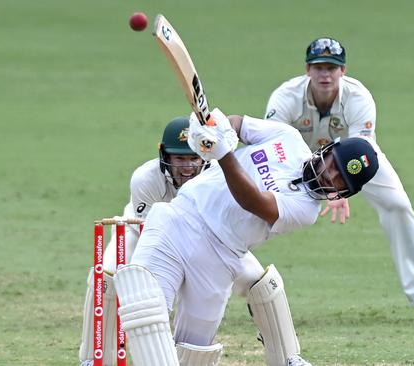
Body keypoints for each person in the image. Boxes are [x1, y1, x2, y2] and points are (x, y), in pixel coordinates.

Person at [111, 109, 379, 366]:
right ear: (328, 149)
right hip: (180, 219)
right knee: (147, 307)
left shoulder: (306, 210)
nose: (328, 176)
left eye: (340, 181)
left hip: (220, 258)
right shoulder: (288, 138)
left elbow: (252, 201)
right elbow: (238, 124)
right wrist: (217, 128)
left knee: (193, 353)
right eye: (333, 166)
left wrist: (224, 153)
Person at [78, 117, 305, 366]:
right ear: (165, 156)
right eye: (179, 159)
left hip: (209, 237)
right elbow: (152, 237)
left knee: (261, 282)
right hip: (140, 231)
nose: (187, 167)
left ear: (203, 155)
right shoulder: (146, 178)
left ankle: (288, 358)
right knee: (107, 275)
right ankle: (94, 359)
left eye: (193, 158)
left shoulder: (218, 172)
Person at [264, 37, 414, 321]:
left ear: (343, 71)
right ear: (307, 70)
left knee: (398, 204)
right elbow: (273, 145)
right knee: (256, 206)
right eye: (319, 67)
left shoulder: (358, 98)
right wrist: (322, 185)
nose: (325, 74)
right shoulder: (285, 97)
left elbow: (360, 153)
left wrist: (338, 189)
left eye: (332, 68)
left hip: (350, 160)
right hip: (296, 159)